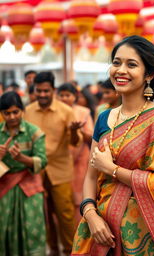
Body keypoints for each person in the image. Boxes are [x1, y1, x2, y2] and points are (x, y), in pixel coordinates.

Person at [71, 35, 154, 256]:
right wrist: (90, 215)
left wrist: (112, 169)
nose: (120, 70)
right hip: (101, 227)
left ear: (149, 74)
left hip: (145, 233)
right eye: (116, 62)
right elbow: (91, 176)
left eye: (131, 64)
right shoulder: (103, 118)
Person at [24, 72, 82, 256]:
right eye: (38, 91)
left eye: (46, 91)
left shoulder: (66, 111)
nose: (42, 94)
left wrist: (73, 131)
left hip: (60, 170)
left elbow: (75, 142)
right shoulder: (28, 111)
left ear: (53, 90)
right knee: (43, 215)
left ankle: (71, 251)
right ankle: (53, 251)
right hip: (36, 171)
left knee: (65, 216)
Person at [0, 91, 47, 255]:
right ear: (2, 113)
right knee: (4, 229)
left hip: (29, 187)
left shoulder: (34, 132)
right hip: (4, 187)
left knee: (32, 228)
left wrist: (21, 158)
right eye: (7, 113)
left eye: (15, 112)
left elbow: (42, 161)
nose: (12, 117)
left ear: (22, 110)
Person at [57, 82, 94, 225]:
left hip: (80, 158)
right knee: (63, 197)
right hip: (62, 157)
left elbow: (91, 136)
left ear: (75, 96)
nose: (64, 98)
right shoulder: (56, 110)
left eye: (68, 95)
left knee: (78, 195)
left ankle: (79, 230)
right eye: (62, 95)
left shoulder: (83, 112)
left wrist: (79, 130)